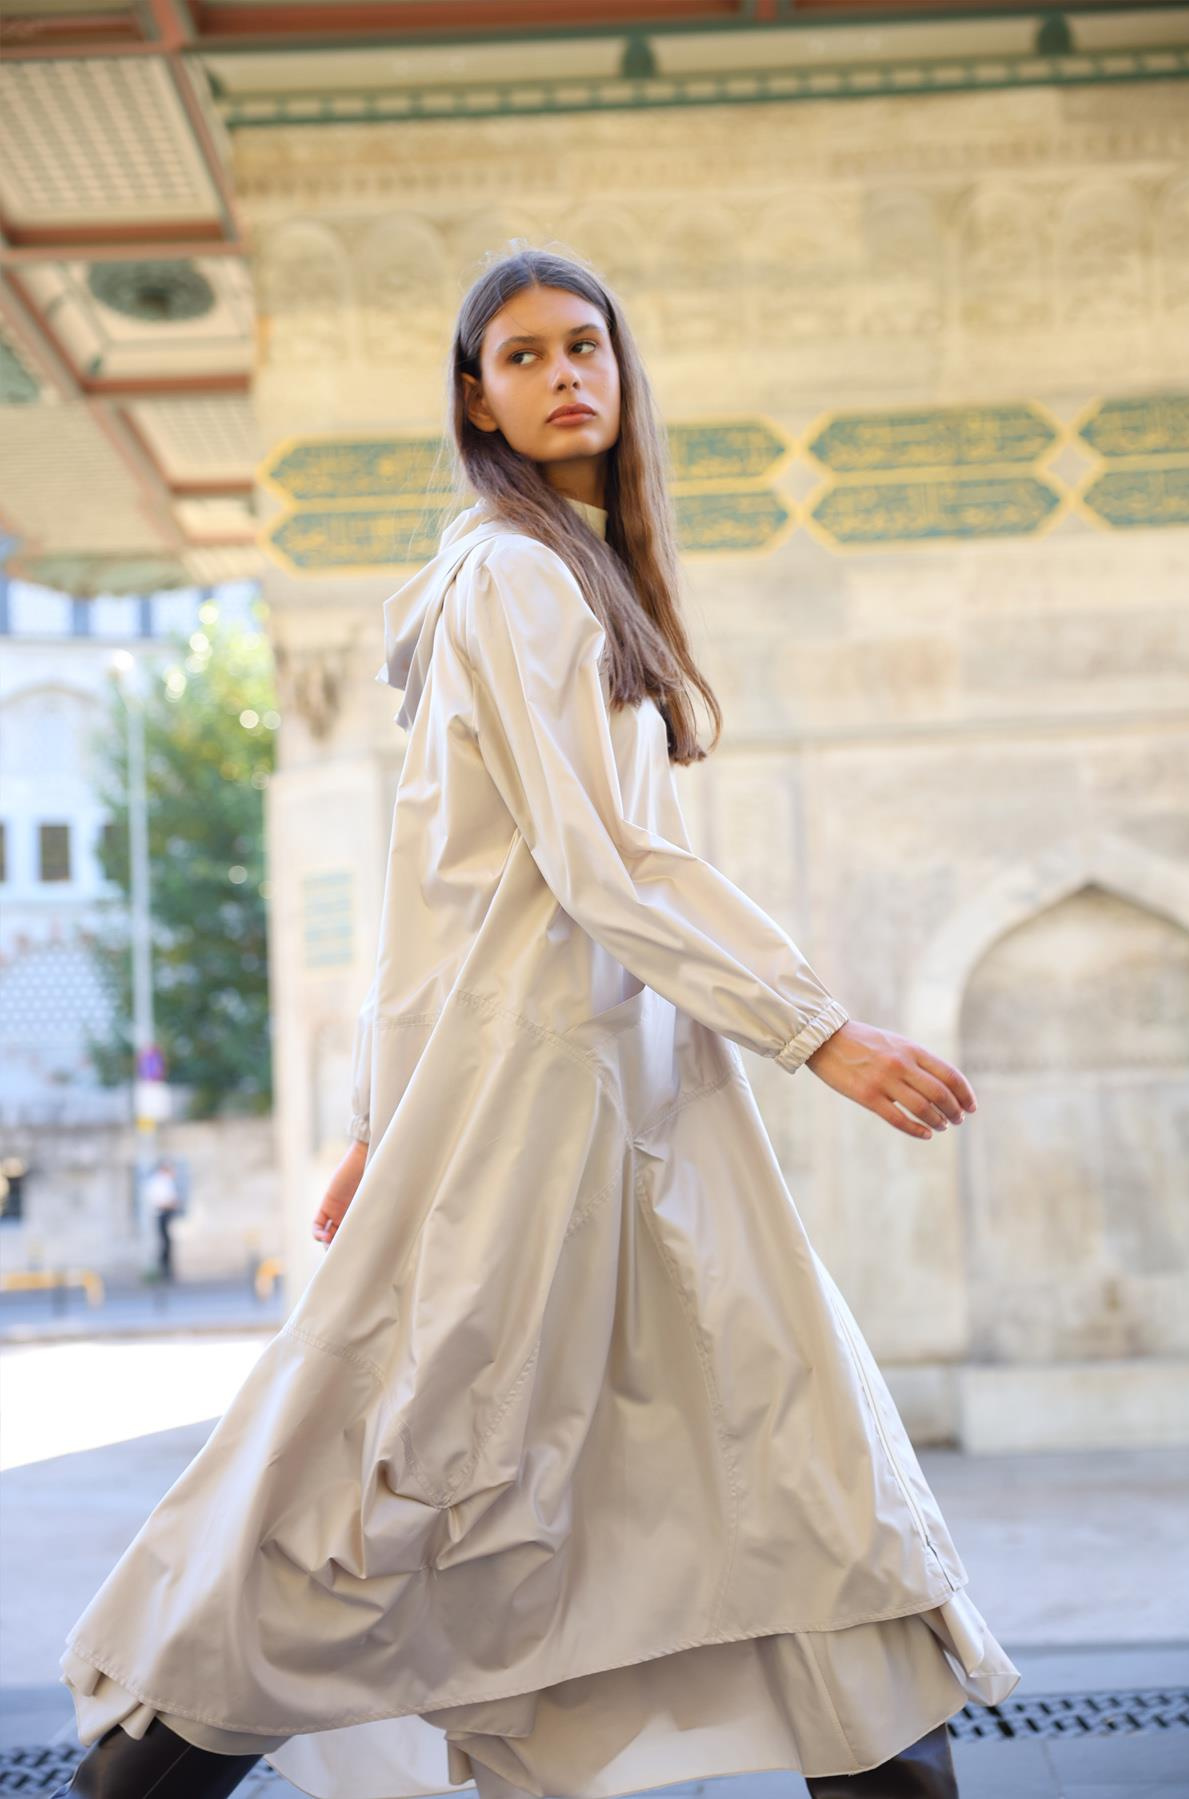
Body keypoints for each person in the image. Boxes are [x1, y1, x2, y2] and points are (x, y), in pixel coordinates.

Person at [54, 248, 1020, 1799]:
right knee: (392, 1503)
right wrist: (819, 1029)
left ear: (622, 375)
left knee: (786, 1475)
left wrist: (382, 1115)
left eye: (586, 346)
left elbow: (446, 891)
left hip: (624, 1102)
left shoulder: (568, 572)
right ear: (477, 398)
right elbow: (599, 861)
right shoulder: (512, 575)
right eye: (523, 354)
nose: (564, 374)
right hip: (540, 1118)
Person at [142, 1156, 180, 1282]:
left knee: (167, 1242)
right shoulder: (158, 1182)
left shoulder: (166, 1181)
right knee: (164, 1243)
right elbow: (158, 1201)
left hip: (167, 1214)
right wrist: (170, 1204)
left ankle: (167, 1269)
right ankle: (163, 1270)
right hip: (161, 1214)